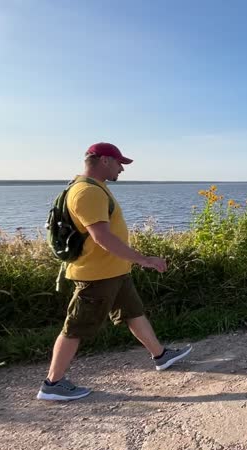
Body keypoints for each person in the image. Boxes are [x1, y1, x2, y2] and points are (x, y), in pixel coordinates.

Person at [37, 142, 192, 401]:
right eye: (119, 163)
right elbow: (102, 238)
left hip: (112, 271)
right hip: (96, 275)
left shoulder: (91, 188)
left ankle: (161, 355)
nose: (122, 168)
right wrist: (144, 259)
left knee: (133, 312)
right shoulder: (88, 192)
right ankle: (53, 383)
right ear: (104, 160)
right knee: (75, 327)